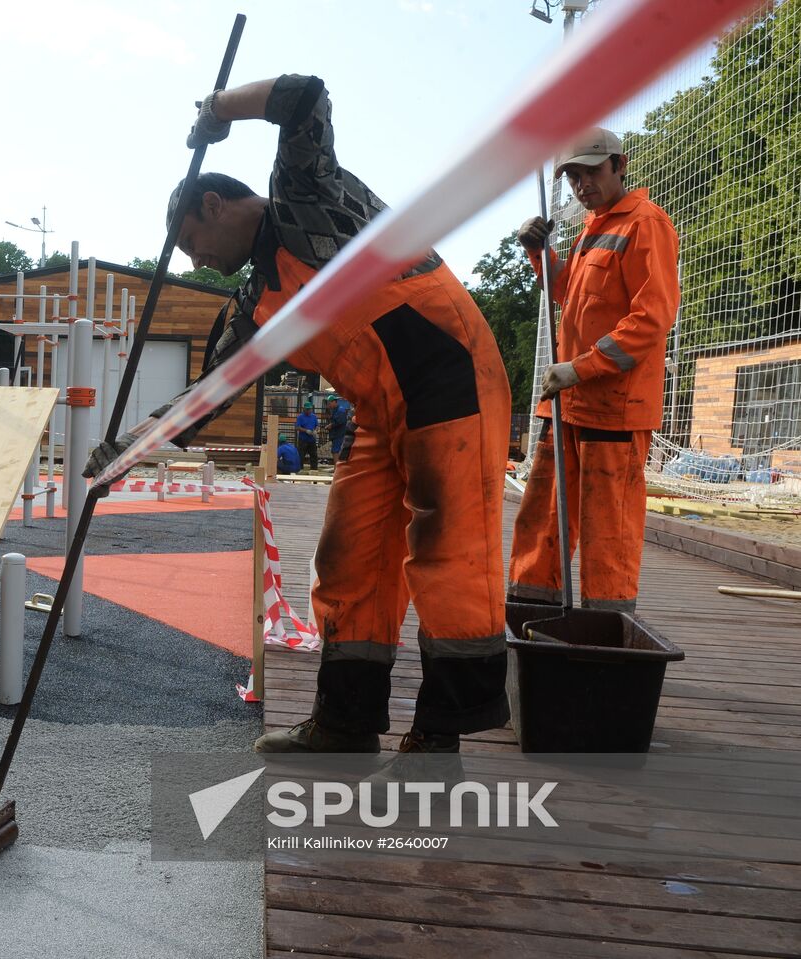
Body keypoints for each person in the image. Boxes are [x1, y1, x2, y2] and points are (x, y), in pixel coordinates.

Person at [85, 74, 512, 771]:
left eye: (193, 242)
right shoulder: (256, 302)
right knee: (349, 557)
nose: (197, 262)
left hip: (448, 376)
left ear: (215, 203)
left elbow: (305, 96)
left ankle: (438, 742)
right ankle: (344, 724)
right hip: (380, 409)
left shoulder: (305, 199)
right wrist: (126, 452)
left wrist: (217, 111)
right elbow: (207, 396)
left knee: (447, 553)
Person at [510, 128, 679, 615]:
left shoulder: (646, 224)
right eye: (573, 177)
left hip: (613, 410)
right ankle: (528, 614)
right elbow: (571, 297)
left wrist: (580, 369)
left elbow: (652, 318)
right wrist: (538, 254)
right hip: (569, 403)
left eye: (591, 172)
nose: (582, 184)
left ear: (619, 165)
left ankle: (606, 635)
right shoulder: (592, 228)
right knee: (542, 518)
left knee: (609, 531)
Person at [295, 401, 320, 471]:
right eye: (307, 409)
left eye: (310, 409)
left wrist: (316, 430)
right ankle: (300, 469)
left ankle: (314, 469)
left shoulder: (314, 416)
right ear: (304, 409)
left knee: (314, 455)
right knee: (301, 456)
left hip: (312, 440)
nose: (309, 411)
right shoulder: (300, 417)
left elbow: (317, 426)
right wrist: (306, 430)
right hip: (303, 440)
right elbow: (297, 427)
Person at [325, 397, 350, 464]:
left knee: (336, 451)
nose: (329, 405)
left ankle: (337, 468)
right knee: (335, 451)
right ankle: (336, 467)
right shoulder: (335, 410)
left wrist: (331, 425)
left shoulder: (340, 410)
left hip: (339, 434)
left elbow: (340, 421)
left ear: (334, 402)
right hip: (336, 434)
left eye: (329, 403)